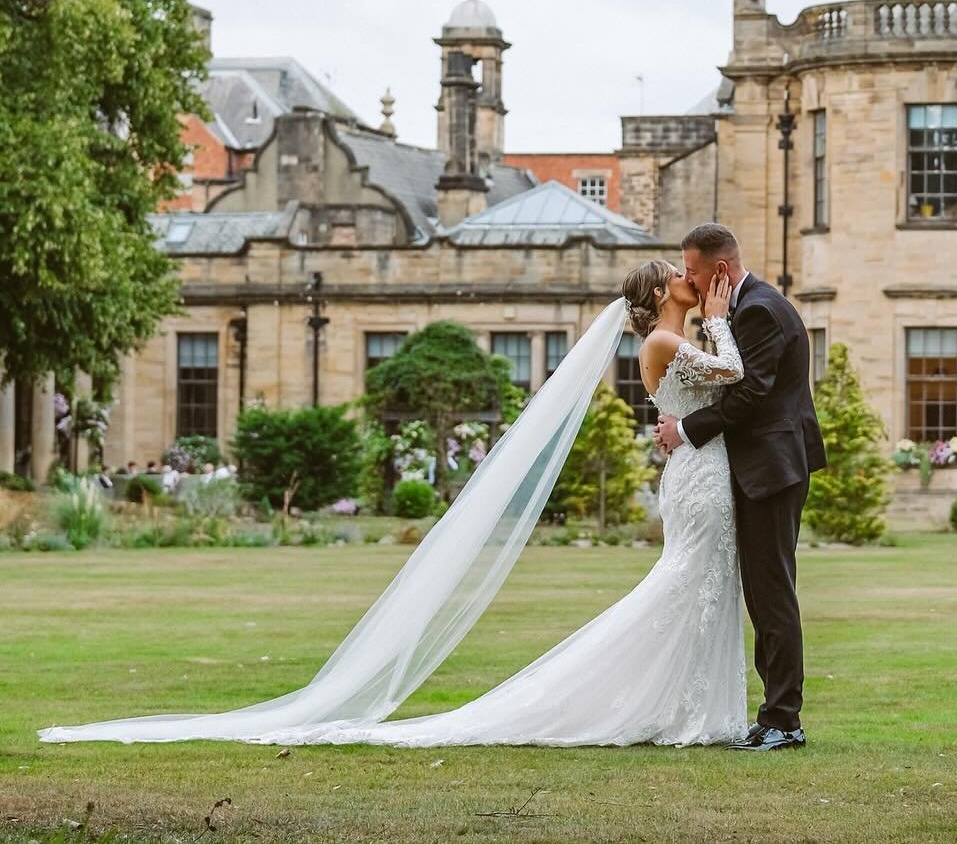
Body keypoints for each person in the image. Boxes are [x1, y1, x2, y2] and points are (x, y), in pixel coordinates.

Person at [38, 258, 755, 750]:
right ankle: (661, 707)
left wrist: (710, 334)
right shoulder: (666, 336)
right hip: (696, 479)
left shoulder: (670, 332)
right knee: (682, 583)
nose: (688, 278)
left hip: (701, 467)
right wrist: (722, 317)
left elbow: (715, 385)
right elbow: (731, 372)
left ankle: (688, 708)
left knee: (701, 584)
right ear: (660, 292)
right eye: (677, 274)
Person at [655, 222, 826, 752]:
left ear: (720, 271)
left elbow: (751, 392)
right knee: (762, 592)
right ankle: (773, 716)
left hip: (771, 469)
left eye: (692, 270)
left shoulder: (755, 311)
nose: (687, 278)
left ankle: (784, 720)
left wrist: (685, 430)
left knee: (772, 593)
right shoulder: (740, 309)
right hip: (760, 467)